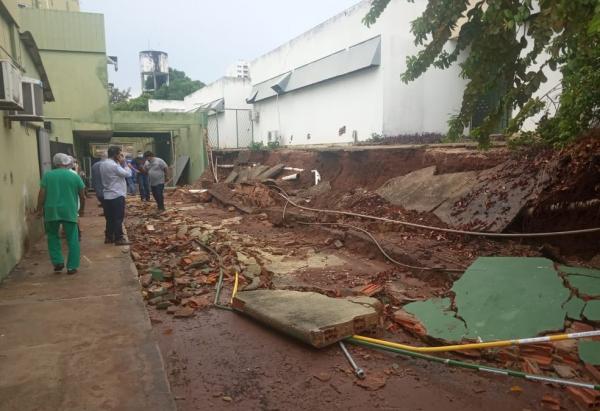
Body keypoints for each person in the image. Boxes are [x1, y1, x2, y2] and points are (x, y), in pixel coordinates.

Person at [36, 153, 86, 275]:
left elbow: (42, 193)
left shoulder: (48, 176)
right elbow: (82, 195)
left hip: (51, 210)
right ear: (67, 163)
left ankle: (57, 262)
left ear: (55, 163)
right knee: (72, 239)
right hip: (69, 210)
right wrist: (82, 210)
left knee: (52, 236)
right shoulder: (74, 176)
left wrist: (39, 209)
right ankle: (72, 267)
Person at [100, 146, 133, 245]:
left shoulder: (103, 164)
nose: (121, 156)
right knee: (118, 218)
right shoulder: (114, 166)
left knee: (109, 218)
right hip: (117, 194)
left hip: (107, 195)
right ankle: (119, 238)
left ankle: (109, 237)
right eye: (120, 154)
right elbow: (128, 174)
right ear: (115, 155)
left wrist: (119, 163)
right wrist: (125, 164)